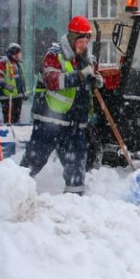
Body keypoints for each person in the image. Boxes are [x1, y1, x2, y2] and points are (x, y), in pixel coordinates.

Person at [20, 16, 103, 195]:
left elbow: (91, 80)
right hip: (50, 122)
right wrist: (79, 76)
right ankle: (12, 191)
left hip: (76, 125)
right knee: (33, 161)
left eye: (87, 41)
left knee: (76, 169)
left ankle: (74, 200)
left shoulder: (89, 59)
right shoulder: (54, 55)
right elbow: (52, 81)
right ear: (72, 38)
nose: (84, 45)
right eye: (81, 41)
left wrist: (96, 81)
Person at [0, 43, 27, 124]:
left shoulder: (18, 64)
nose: (20, 55)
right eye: (18, 53)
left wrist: (23, 92)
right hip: (7, 96)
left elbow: (20, 80)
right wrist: (5, 85)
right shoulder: (4, 61)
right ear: (13, 53)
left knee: (16, 118)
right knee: (9, 118)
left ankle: (15, 128)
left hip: (17, 96)